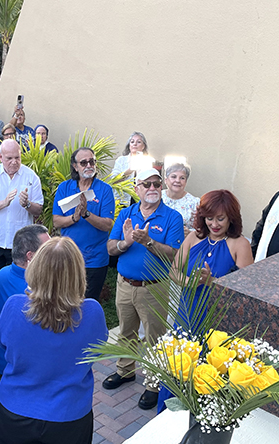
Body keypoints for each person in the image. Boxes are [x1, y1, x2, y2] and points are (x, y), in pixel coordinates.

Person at [0, 237, 108, 444]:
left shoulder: (15, 306)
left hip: (14, 410)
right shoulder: (92, 312)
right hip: (68, 415)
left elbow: (2, 342)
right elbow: (97, 351)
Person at [157, 189, 254, 412]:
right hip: (187, 313)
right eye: (209, 218)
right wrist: (190, 282)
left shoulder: (240, 244)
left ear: (232, 217)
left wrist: (213, 282)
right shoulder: (193, 237)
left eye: (220, 218)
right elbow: (174, 272)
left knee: (207, 374)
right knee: (178, 366)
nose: (214, 224)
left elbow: (245, 292)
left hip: (217, 320)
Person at [103, 168, 184, 410]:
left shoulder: (172, 217)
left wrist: (148, 242)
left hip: (154, 288)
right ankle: (125, 371)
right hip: (125, 284)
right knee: (126, 332)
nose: (152, 188)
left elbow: (176, 254)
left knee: (154, 338)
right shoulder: (126, 213)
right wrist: (126, 243)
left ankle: (152, 384)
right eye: (146, 184)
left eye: (156, 184)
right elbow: (110, 248)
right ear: (137, 188)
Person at [0, 224, 50, 444]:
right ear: (31, 256)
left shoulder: (3, 273)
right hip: (6, 366)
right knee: (7, 421)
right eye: (47, 249)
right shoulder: (30, 288)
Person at [53, 147, 115, 301]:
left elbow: (107, 225)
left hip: (95, 259)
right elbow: (56, 221)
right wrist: (73, 218)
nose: (89, 165)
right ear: (75, 166)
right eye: (84, 162)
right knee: (66, 301)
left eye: (92, 161)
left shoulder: (105, 190)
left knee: (88, 303)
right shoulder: (64, 188)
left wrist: (86, 214)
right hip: (68, 257)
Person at [0, 139, 43, 277]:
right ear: (1, 157)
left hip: (20, 243)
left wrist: (27, 204)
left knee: (18, 281)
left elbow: (38, 210)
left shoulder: (31, 176)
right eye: (9, 158)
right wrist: (4, 202)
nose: (14, 162)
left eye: (17, 158)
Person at [111, 132, 154, 205]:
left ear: (143, 146)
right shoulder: (121, 160)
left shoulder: (147, 161)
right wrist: (130, 170)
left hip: (140, 200)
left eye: (139, 142)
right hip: (122, 200)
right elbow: (114, 180)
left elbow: (149, 181)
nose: (135, 144)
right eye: (132, 142)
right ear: (129, 145)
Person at [162, 163, 201, 237]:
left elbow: (202, 228)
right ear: (166, 180)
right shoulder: (158, 198)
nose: (177, 180)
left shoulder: (194, 203)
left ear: (186, 182)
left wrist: (190, 233)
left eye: (182, 178)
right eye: (173, 177)